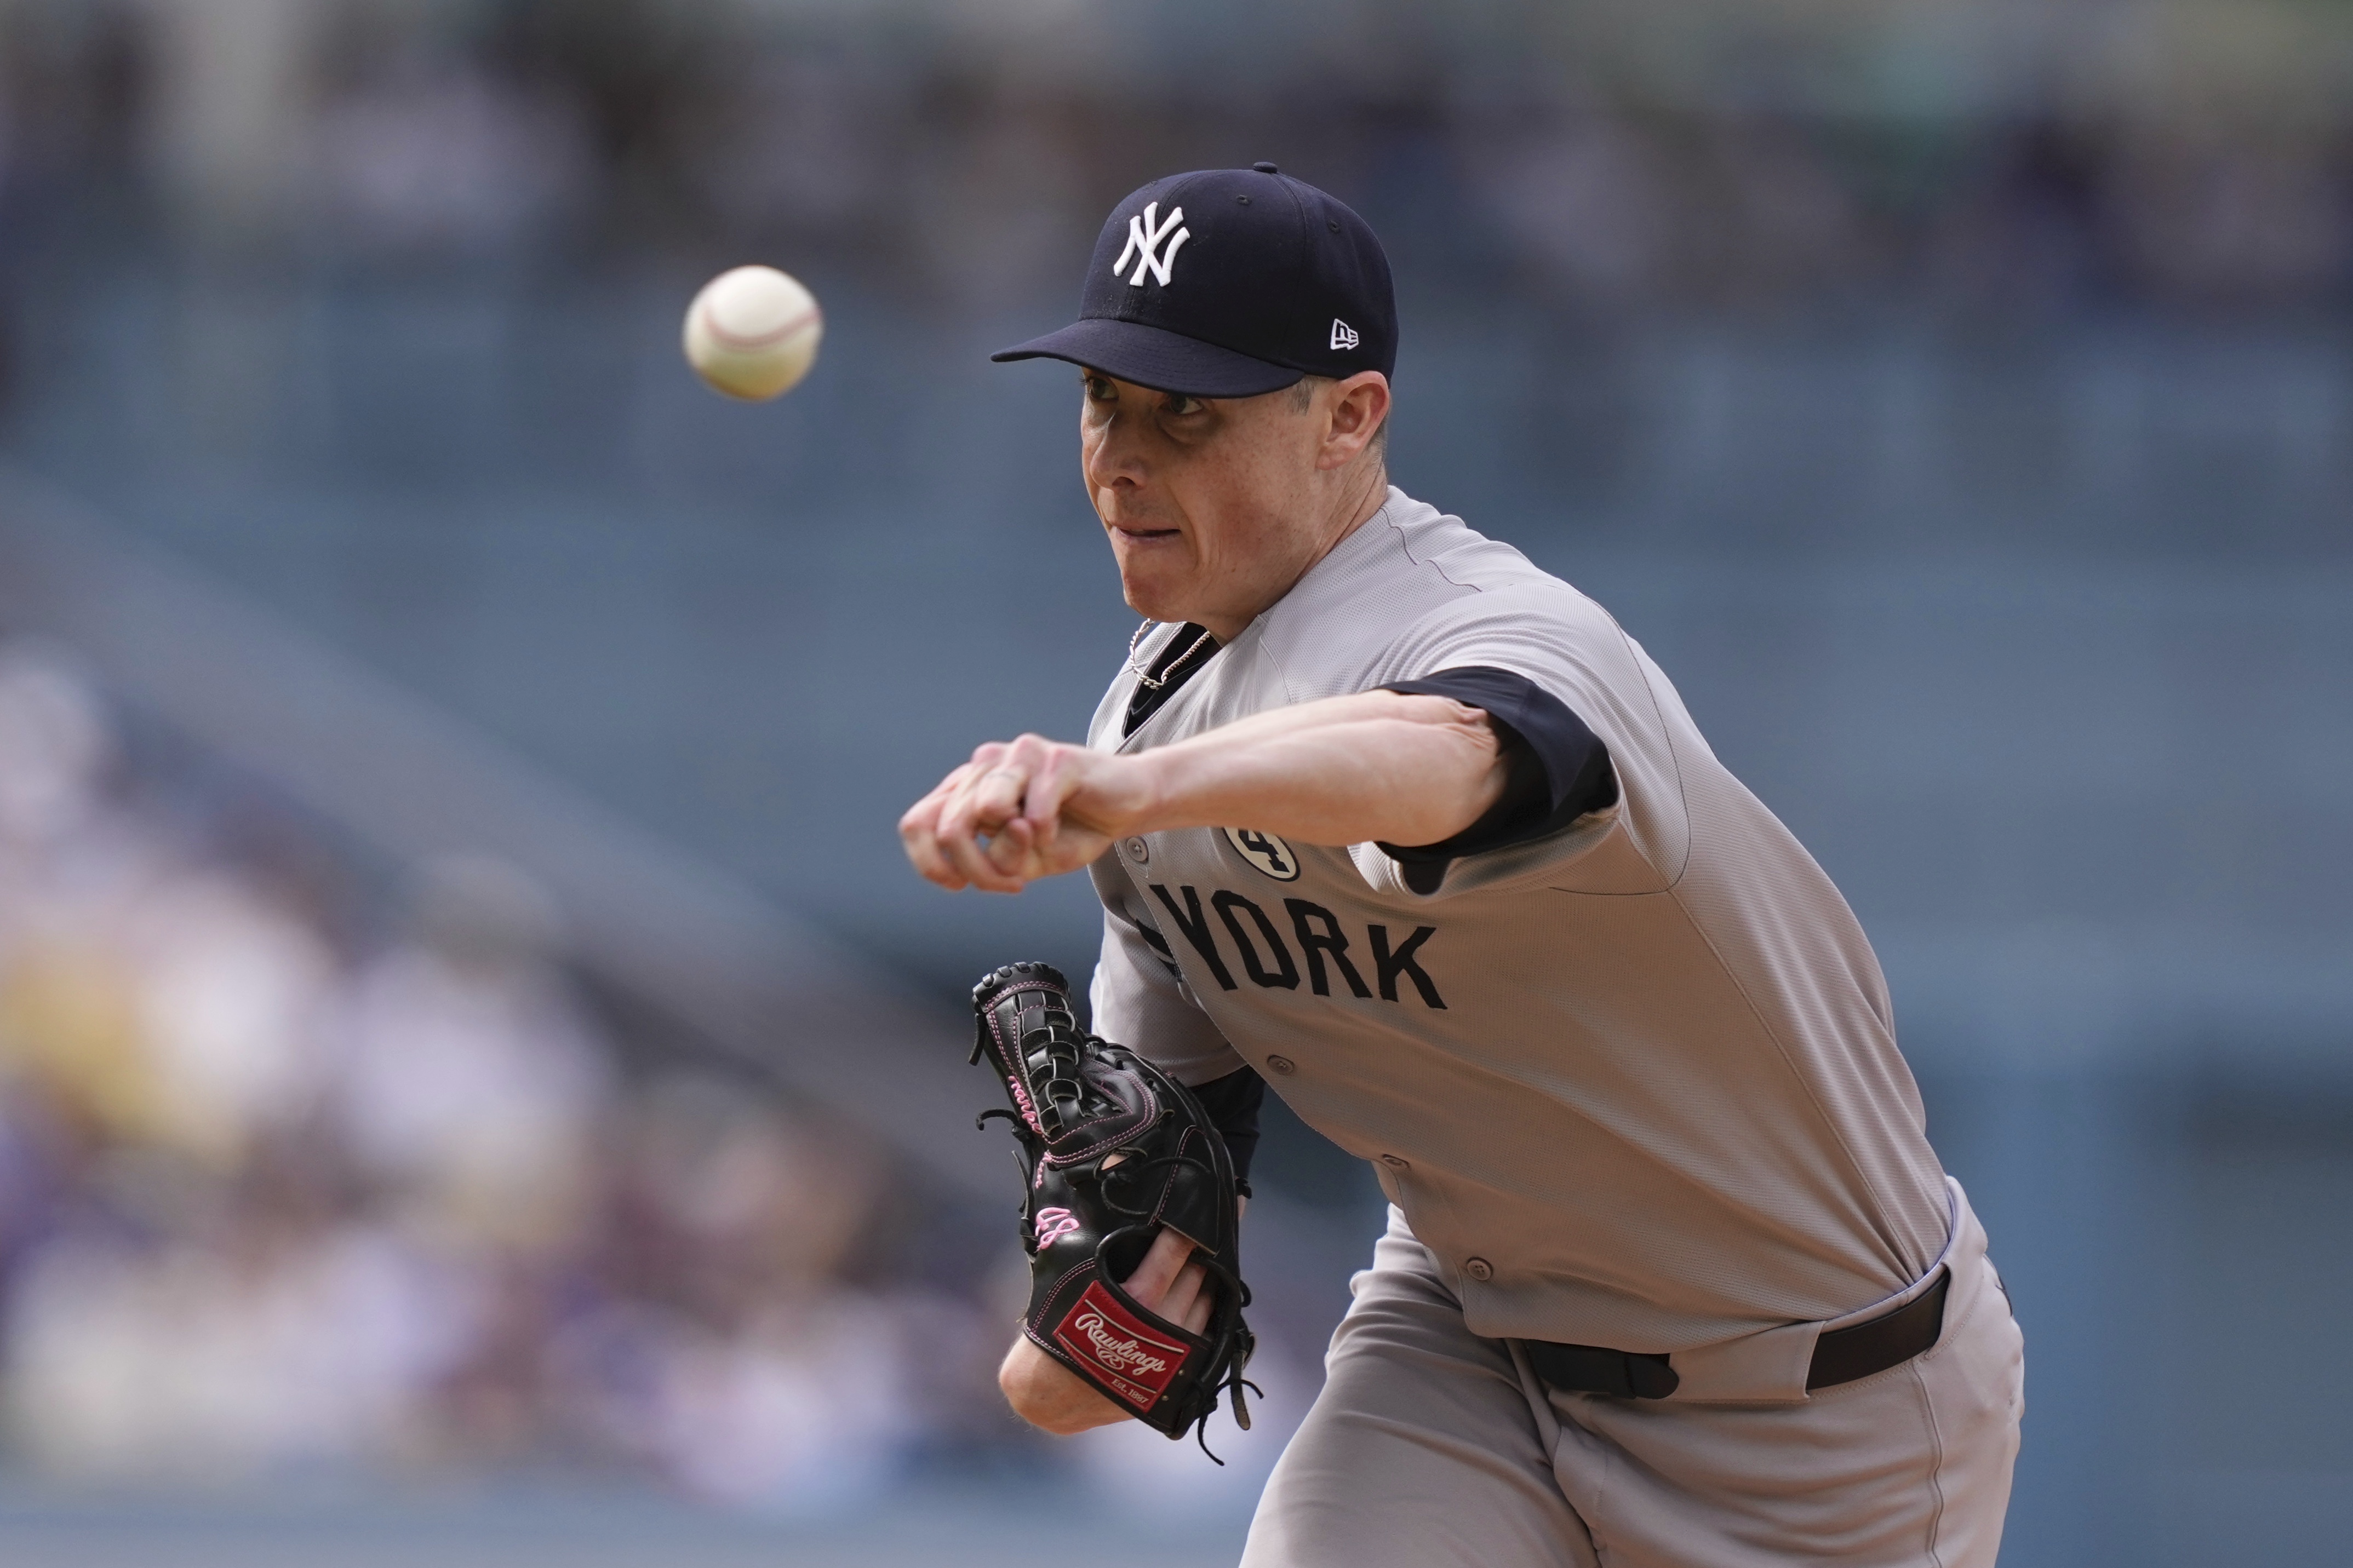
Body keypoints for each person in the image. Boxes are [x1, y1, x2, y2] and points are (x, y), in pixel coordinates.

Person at [899, 163, 2023, 1568]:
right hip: (1467, 1349)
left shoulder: (1484, 621)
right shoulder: (1144, 739)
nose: (1123, 460)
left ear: (1350, 416)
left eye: (1188, 411)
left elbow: (1461, 757)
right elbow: (1147, 1226)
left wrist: (1126, 796)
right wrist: (1082, 1329)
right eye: (1103, 402)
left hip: (1815, 1403)